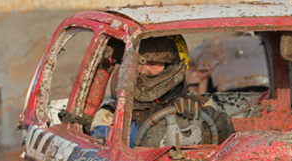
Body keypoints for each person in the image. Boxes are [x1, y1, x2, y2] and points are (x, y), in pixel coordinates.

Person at [90, 35, 230, 147]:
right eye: (139, 63)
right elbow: (105, 154)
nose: (144, 70)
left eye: (152, 64)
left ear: (172, 67)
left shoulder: (200, 104)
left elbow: (227, 140)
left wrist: (200, 115)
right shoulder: (113, 112)